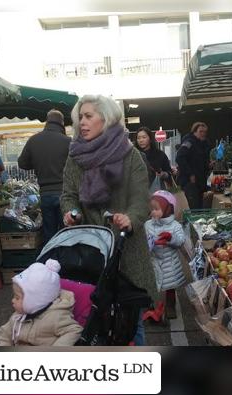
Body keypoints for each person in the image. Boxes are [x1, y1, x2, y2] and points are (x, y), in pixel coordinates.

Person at [60, 94, 158, 346]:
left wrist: (131, 217)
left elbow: (141, 199)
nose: (82, 122)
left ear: (106, 119)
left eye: (88, 116)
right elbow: (68, 194)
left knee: (130, 322)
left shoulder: (130, 155)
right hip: (91, 253)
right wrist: (70, 211)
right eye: (80, 117)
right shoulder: (75, 157)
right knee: (94, 321)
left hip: (127, 251)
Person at [0, 259, 83, 346]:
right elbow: (4, 334)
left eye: (17, 298)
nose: (12, 300)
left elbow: (74, 330)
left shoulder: (56, 317)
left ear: (34, 301)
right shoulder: (17, 316)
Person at [18, 109, 71, 245]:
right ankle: (66, 263)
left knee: (49, 233)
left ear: (47, 121)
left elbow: (22, 163)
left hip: (45, 194)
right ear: (62, 123)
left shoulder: (33, 140)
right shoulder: (68, 141)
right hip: (64, 194)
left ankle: (50, 262)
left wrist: (37, 163)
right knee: (66, 232)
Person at [144, 190, 186, 320]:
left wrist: (170, 238)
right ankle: (152, 306)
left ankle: (170, 306)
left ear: (168, 209)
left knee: (170, 287)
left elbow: (181, 241)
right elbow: (144, 240)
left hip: (169, 261)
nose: (153, 212)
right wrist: (149, 243)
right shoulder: (148, 224)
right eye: (152, 209)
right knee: (152, 284)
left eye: (157, 209)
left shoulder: (175, 226)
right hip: (154, 260)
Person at [175, 121, 211, 209]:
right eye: (200, 131)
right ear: (194, 132)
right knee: (193, 207)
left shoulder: (204, 144)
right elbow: (179, 157)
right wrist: (190, 173)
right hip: (190, 182)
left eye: (205, 132)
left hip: (201, 182)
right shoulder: (189, 142)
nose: (203, 134)